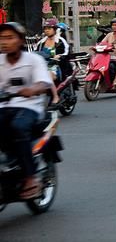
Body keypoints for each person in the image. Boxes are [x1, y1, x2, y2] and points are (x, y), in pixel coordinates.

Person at [0, 22, 52, 199]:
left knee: (18, 127)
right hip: (4, 106)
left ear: (20, 40)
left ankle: (31, 177)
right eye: (2, 38)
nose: (4, 42)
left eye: (9, 38)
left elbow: (44, 82)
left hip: (28, 107)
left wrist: (32, 89)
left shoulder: (33, 60)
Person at [35, 18, 70, 105]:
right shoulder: (41, 42)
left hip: (55, 67)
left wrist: (59, 56)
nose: (47, 30)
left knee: (48, 76)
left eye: (49, 28)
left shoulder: (60, 41)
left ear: (54, 29)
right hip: (42, 67)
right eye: (45, 29)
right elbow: (35, 53)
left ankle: (55, 96)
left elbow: (66, 52)